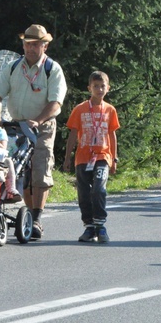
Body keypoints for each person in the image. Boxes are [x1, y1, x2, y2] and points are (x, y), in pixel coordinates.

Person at [0, 24, 67, 239]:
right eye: (27, 44)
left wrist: (38, 120)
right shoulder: (14, 67)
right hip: (17, 125)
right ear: (23, 45)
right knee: (20, 169)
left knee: (40, 168)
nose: (31, 48)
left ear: (45, 46)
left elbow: (56, 103)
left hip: (43, 125)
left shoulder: (52, 69)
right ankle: (29, 217)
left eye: (36, 45)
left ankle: (37, 218)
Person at [63, 71, 120, 243]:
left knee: (98, 189)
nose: (99, 89)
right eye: (96, 86)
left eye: (103, 86)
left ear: (108, 88)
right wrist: (67, 158)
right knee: (84, 193)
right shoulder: (80, 109)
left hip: (102, 156)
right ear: (89, 88)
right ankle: (89, 226)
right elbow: (73, 134)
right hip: (83, 157)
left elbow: (112, 134)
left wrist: (114, 158)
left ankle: (100, 225)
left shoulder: (110, 110)